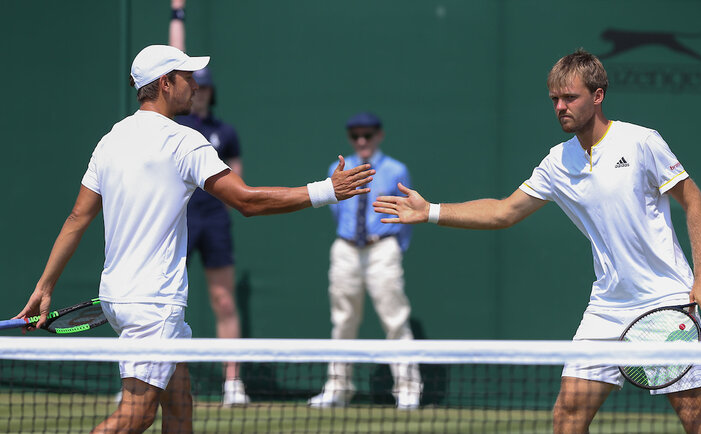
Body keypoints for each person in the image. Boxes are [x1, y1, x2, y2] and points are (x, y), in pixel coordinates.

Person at [15, 44, 374, 433]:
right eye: (187, 77)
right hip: (153, 304)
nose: (196, 84)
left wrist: (44, 286)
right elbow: (247, 201)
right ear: (166, 84)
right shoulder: (184, 141)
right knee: (136, 416)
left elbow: (76, 218)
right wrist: (326, 191)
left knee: (180, 405)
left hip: (120, 298)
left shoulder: (110, 141)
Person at [373, 49, 701, 433]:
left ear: (598, 95)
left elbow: (695, 202)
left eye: (570, 97)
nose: (560, 106)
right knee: (567, 416)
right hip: (607, 307)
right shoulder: (558, 162)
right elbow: (504, 212)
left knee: (697, 421)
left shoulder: (641, 142)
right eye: (554, 99)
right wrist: (431, 211)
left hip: (664, 301)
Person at [307, 112, 423, 410]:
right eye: (356, 135)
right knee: (342, 320)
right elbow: (337, 211)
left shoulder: (397, 169)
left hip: (382, 249)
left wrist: (394, 247)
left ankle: (408, 390)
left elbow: (407, 214)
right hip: (345, 249)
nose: (362, 141)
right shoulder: (337, 168)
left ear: (379, 136)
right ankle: (338, 388)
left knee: (395, 318)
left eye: (368, 135)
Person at [169, 0, 248, 406]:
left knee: (222, 298)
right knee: (163, 300)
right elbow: (174, 58)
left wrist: (246, 201)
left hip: (215, 220)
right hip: (179, 220)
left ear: (211, 90)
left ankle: (232, 383)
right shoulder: (177, 124)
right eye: (192, 81)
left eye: (204, 84)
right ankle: (141, 377)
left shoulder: (226, 132)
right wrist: (177, 14)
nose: (198, 89)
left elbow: (239, 182)